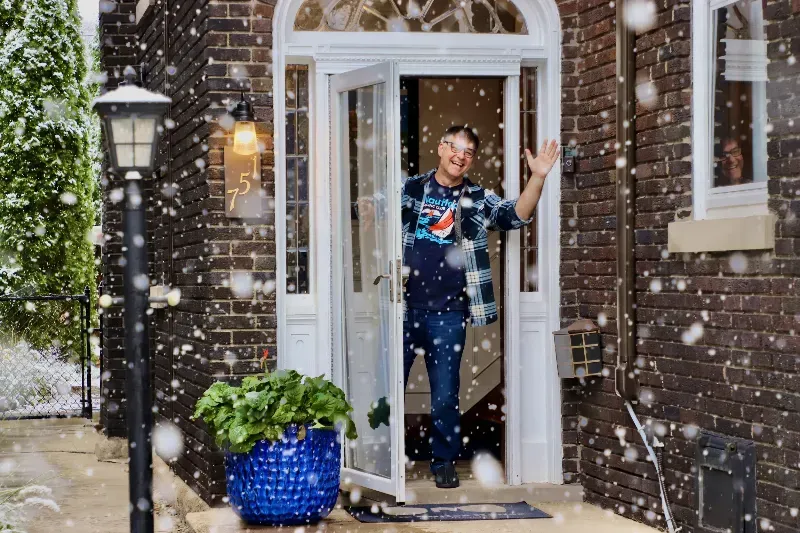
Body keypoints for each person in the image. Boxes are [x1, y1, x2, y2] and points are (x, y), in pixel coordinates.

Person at [400, 125, 559, 488]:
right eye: (455, 147)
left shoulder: (476, 198)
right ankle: (380, 461)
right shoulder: (410, 189)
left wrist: (537, 179)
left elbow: (515, 216)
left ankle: (442, 461)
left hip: (450, 314)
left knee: (444, 395)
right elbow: (370, 211)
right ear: (440, 148)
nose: (461, 155)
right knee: (387, 387)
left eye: (469, 152)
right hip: (403, 308)